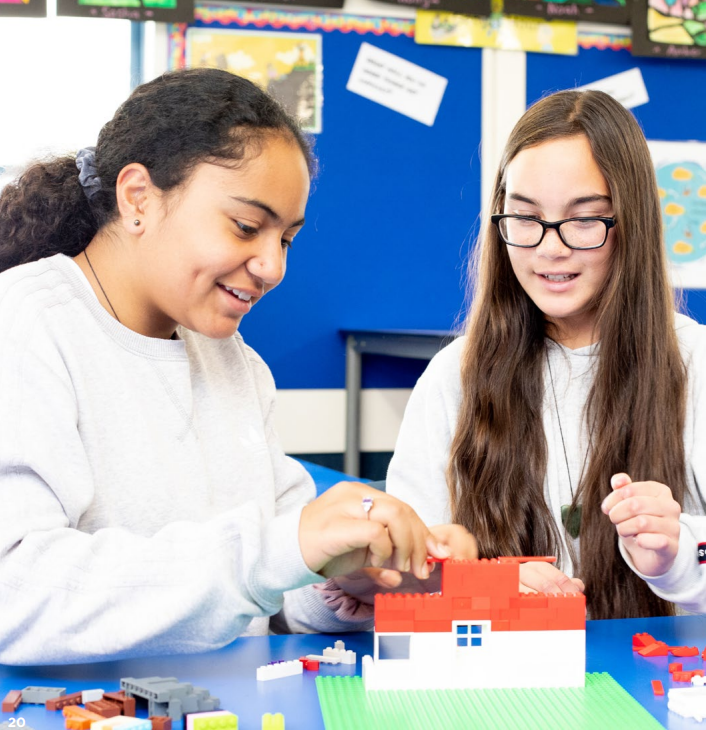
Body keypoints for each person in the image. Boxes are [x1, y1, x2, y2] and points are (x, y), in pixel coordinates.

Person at [0, 68, 476, 665]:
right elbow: (14, 595)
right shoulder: (25, 326)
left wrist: (350, 579)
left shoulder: (235, 365)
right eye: (247, 227)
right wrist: (279, 548)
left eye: (286, 240)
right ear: (138, 198)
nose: (272, 267)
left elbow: (273, 590)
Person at [387, 89, 706, 619]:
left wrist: (675, 552)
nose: (549, 248)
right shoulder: (454, 377)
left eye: (584, 219)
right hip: (503, 686)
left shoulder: (694, 362)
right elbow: (405, 574)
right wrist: (486, 587)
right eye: (525, 217)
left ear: (631, 225)